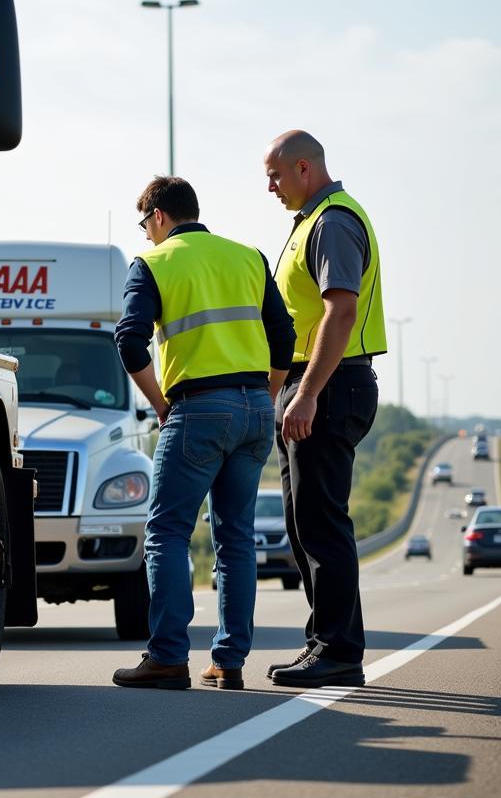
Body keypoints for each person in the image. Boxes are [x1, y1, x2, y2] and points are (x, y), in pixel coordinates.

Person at [112, 176, 294, 690]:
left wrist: (162, 405)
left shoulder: (154, 263)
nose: (147, 234)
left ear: (160, 216)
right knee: (235, 539)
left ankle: (168, 657)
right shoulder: (248, 257)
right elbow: (284, 337)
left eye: (146, 223)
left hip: (197, 409)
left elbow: (129, 342)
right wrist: (264, 396)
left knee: (167, 532)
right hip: (257, 408)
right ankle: (228, 662)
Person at [263, 130, 386, 689]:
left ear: (305, 168)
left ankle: (338, 651)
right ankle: (325, 643)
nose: (270, 187)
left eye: (276, 175)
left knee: (321, 522)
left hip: (332, 386)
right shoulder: (312, 222)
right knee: (303, 521)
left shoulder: (332, 221)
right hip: (316, 384)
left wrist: (307, 392)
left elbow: (340, 312)